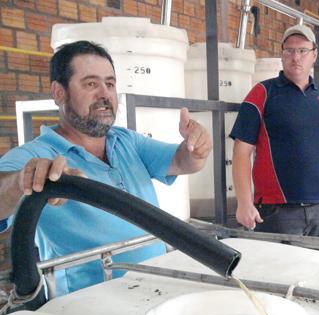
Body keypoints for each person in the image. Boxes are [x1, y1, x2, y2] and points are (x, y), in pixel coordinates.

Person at [0, 41, 212, 294]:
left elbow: (181, 161)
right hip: (91, 307)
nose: (104, 94)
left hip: (156, 286)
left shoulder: (126, 141)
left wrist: (197, 147)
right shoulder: (36, 154)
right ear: (59, 93)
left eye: (109, 84)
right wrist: (23, 180)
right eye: (91, 84)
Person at [230, 24, 319, 237]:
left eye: (302, 50)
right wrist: (244, 203)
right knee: (276, 271)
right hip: (276, 212)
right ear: (282, 55)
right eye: (289, 50)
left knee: (315, 270)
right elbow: (241, 151)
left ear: (314, 55)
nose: (295, 57)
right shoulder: (262, 93)